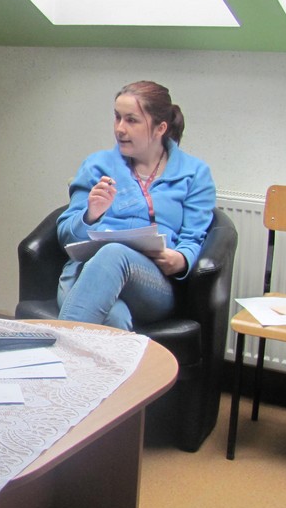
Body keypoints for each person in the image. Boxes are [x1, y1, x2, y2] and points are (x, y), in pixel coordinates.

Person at [56, 80, 216, 330]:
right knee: (114, 317)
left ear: (160, 128)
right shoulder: (97, 165)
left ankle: (54, 350)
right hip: (85, 272)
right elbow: (66, 237)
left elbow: (194, 238)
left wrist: (180, 258)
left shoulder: (194, 173)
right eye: (117, 117)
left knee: (114, 253)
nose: (120, 128)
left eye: (131, 120)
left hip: (152, 282)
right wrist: (90, 215)